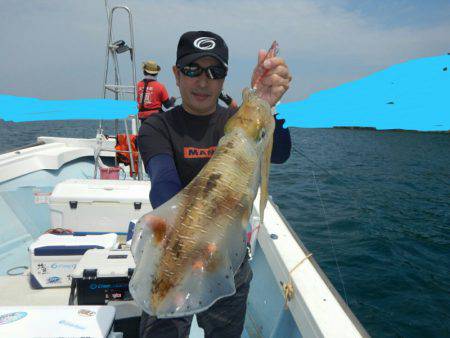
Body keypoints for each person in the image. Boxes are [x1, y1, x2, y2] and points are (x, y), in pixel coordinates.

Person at [137, 30, 292, 338]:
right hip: (173, 257)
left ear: (224, 78)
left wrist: (266, 104)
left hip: (228, 262)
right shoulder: (157, 127)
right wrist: (188, 250)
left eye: (215, 71)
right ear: (177, 75)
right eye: (193, 70)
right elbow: (163, 185)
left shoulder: (238, 121)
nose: (203, 81)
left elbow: (282, 152)